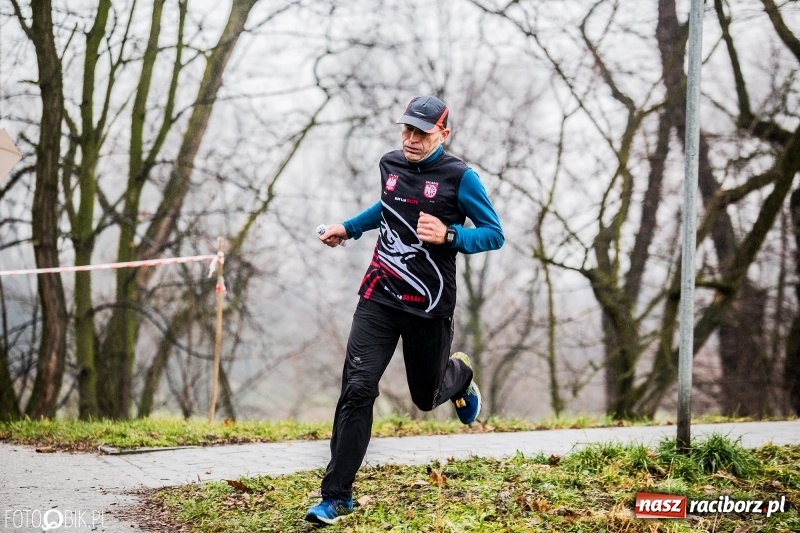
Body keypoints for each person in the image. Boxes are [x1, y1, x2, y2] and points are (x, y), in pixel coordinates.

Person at [307, 95, 504, 525]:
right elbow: (389, 208)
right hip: (379, 293)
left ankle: (460, 377)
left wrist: (451, 235)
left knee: (426, 396)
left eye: (422, 133)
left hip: (429, 305)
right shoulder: (390, 165)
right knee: (357, 388)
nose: (411, 139)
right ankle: (336, 495)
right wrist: (349, 228)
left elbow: (493, 234)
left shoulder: (461, 178)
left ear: (443, 134)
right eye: (407, 130)